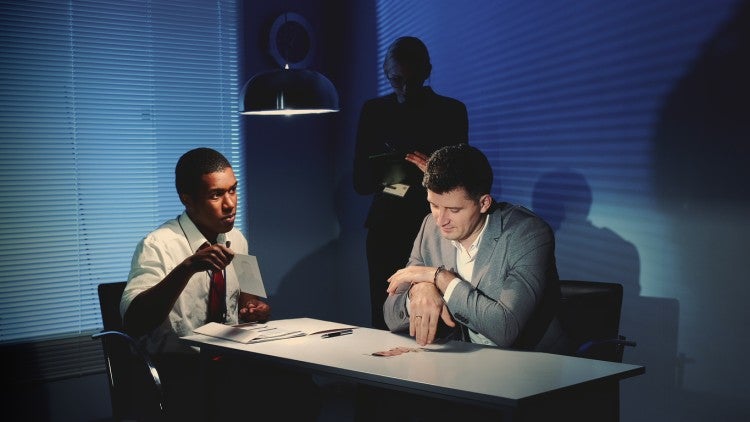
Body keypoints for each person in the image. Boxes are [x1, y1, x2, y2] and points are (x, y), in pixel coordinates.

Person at [120, 147, 320, 421]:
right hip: (178, 367)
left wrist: (255, 309)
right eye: (216, 195)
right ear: (187, 200)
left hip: (228, 360)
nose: (230, 204)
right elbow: (135, 322)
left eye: (233, 190)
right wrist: (187, 267)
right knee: (244, 399)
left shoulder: (235, 238)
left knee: (301, 387)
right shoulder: (157, 245)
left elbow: (249, 300)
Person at [384, 144, 571, 353]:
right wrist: (419, 289)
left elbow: (505, 330)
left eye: (454, 210)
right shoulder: (430, 226)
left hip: (535, 366)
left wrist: (439, 278)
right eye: (434, 205)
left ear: (484, 203)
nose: (440, 220)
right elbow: (390, 314)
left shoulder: (528, 234)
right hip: (467, 363)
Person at [353, 36, 468, 330]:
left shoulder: (451, 111)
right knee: (383, 313)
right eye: (396, 80)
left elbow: (465, 181)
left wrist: (433, 170)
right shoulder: (374, 111)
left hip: (434, 225)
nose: (405, 88)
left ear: (427, 72)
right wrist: (386, 169)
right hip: (386, 226)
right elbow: (360, 180)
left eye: (412, 80)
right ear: (385, 72)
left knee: (439, 315)